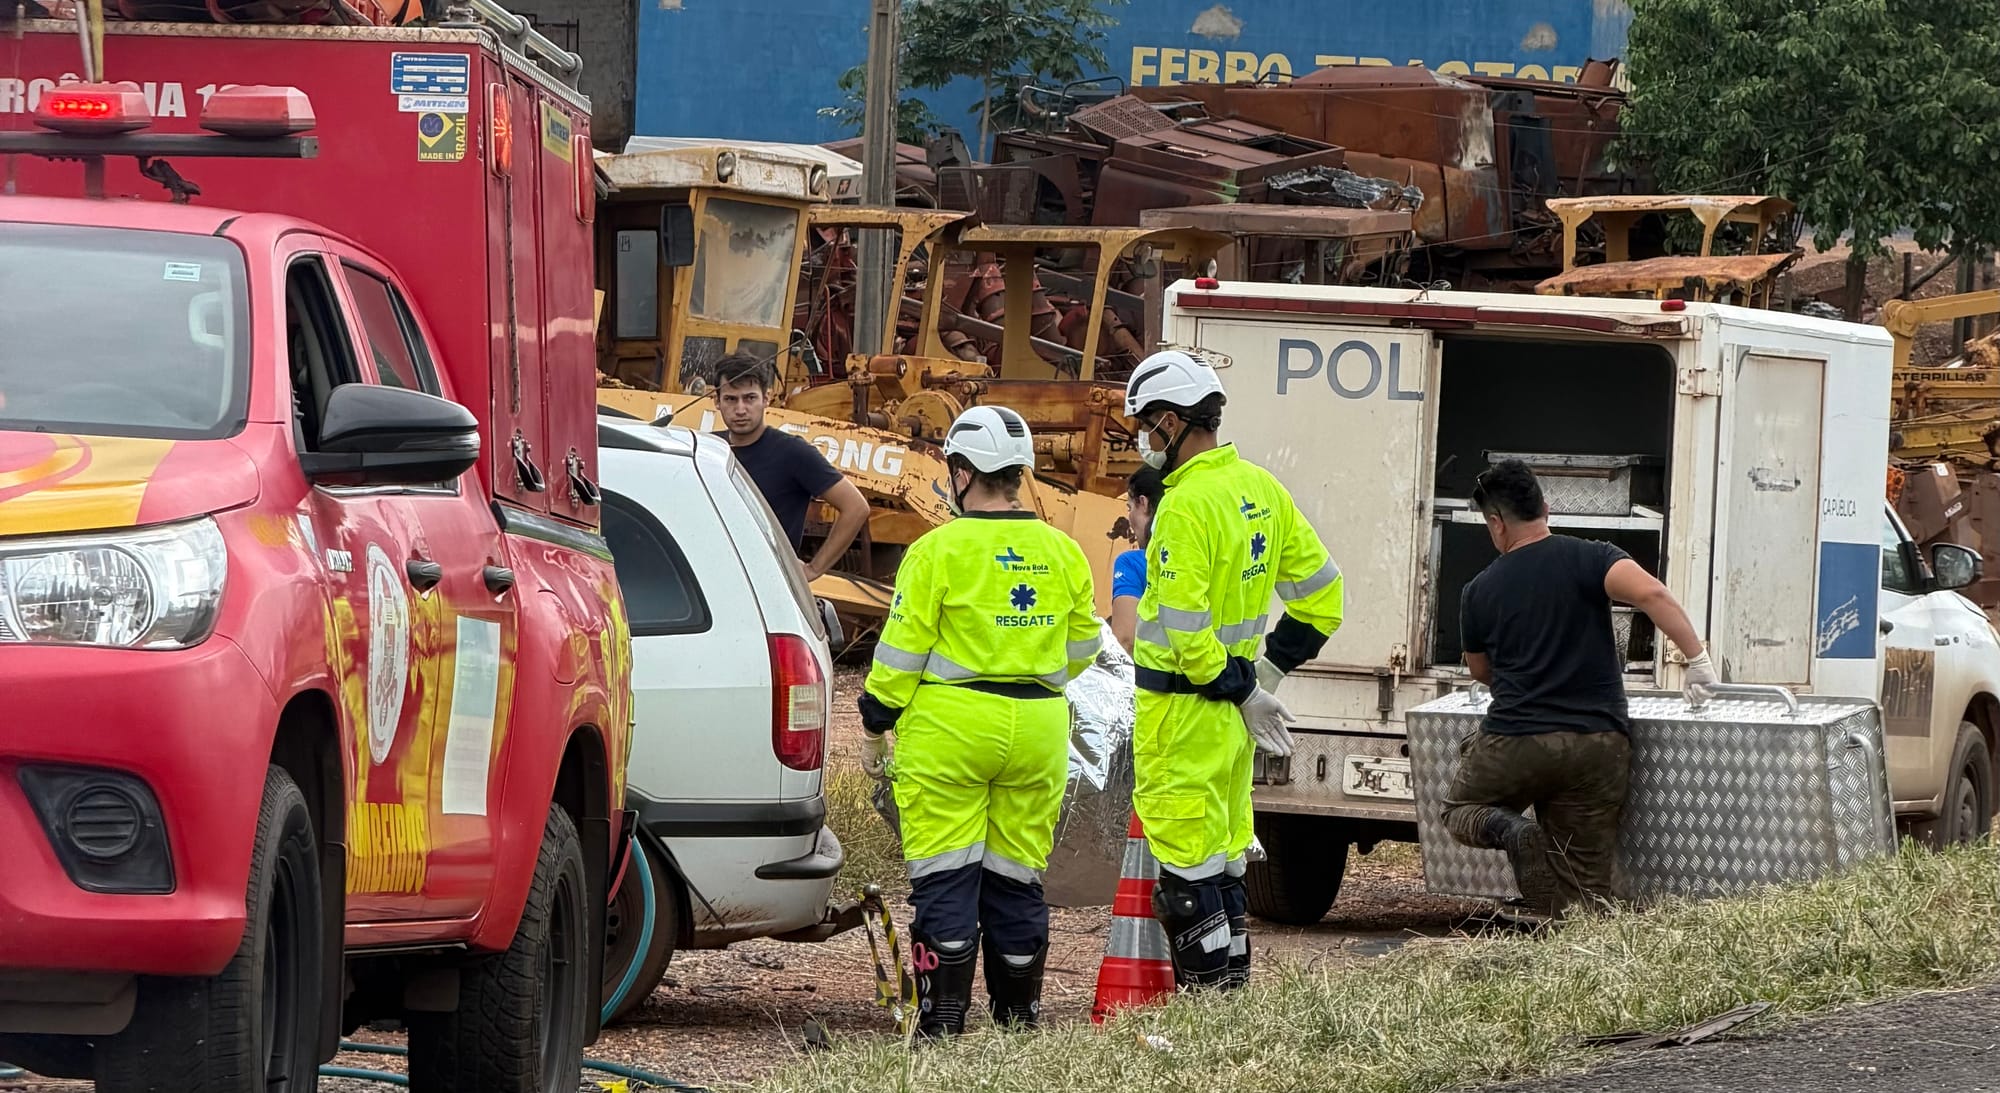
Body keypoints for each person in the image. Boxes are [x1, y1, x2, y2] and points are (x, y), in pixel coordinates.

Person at [856, 405, 1102, 1039]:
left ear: (961, 473)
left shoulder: (937, 550)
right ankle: (1018, 1020)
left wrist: (875, 720)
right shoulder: (1062, 550)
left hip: (952, 730)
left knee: (945, 876)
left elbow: (901, 651)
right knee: (1018, 877)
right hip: (1040, 726)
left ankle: (942, 1022)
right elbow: (1083, 650)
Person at [1123, 350, 1344, 991]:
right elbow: (1325, 597)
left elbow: (1186, 633)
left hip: (1183, 714)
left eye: (1144, 422)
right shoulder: (1261, 489)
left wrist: (1248, 687)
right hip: (1231, 721)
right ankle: (1232, 1006)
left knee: (1188, 878)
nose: (1142, 436)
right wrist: (1263, 678)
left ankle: (1208, 1017)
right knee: (1222, 866)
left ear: (1170, 422)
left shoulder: (1185, 506)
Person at [1442, 458, 1716, 919]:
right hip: (1598, 746)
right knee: (1584, 888)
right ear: (1545, 508)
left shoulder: (1479, 590)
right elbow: (1653, 596)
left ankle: (1515, 833)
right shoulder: (1592, 558)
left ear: (1495, 523)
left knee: (1460, 809)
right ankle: (1576, 947)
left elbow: (1480, 671)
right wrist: (1698, 661)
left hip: (1517, 739)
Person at [711, 352, 870, 581]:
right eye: (731, 399)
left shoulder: (792, 453)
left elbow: (856, 507)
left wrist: (813, 569)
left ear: (767, 398)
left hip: (768, 584)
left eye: (750, 398)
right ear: (717, 401)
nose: (741, 409)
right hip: (711, 580)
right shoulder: (708, 449)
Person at [1110, 464, 1167, 655]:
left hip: (1152, 679)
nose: (1129, 517)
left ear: (1143, 503)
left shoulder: (1131, 563)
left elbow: (1125, 640)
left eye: (1130, 507)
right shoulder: (1198, 556)